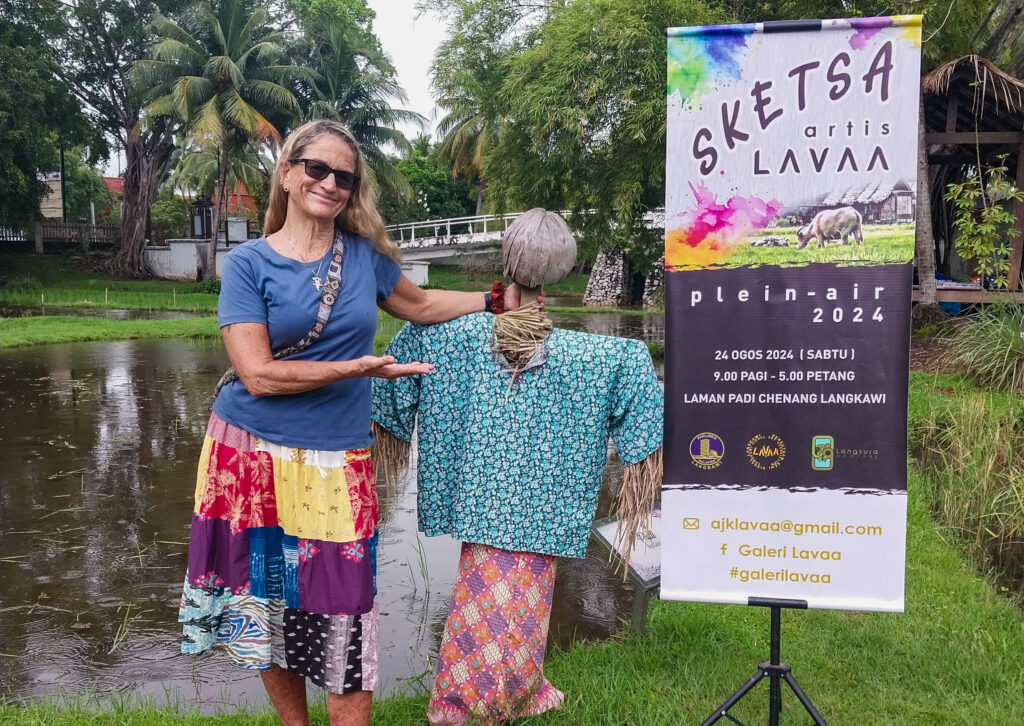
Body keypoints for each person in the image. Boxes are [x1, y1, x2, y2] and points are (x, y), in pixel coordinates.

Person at [177, 118, 531, 726]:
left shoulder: (363, 257)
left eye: (345, 176)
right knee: (265, 601)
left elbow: (419, 305)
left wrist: (495, 300)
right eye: (317, 168)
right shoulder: (247, 264)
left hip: (337, 459)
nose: (331, 183)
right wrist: (355, 369)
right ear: (288, 174)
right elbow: (257, 374)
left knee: (345, 612)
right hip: (248, 453)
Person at [371, 222, 663, 724]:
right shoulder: (599, 357)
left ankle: (499, 695)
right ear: (559, 272)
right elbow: (635, 389)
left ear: (507, 266)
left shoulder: (447, 335)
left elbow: (390, 388)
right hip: (544, 502)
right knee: (514, 603)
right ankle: (470, 704)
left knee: (498, 603)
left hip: (480, 500)